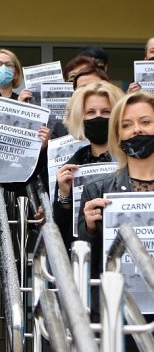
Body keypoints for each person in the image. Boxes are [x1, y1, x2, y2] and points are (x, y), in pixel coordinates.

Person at [78, 90, 154, 352]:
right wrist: (88, 228)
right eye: (126, 125)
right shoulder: (97, 190)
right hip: (118, 313)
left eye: (146, 122)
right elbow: (82, 259)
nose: (137, 130)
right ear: (117, 134)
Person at [53, 82, 124, 252]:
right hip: (85, 260)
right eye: (91, 112)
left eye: (106, 112)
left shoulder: (134, 161)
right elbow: (62, 231)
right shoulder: (70, 168)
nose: (98, 117)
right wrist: (64, 196)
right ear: (81, 118)